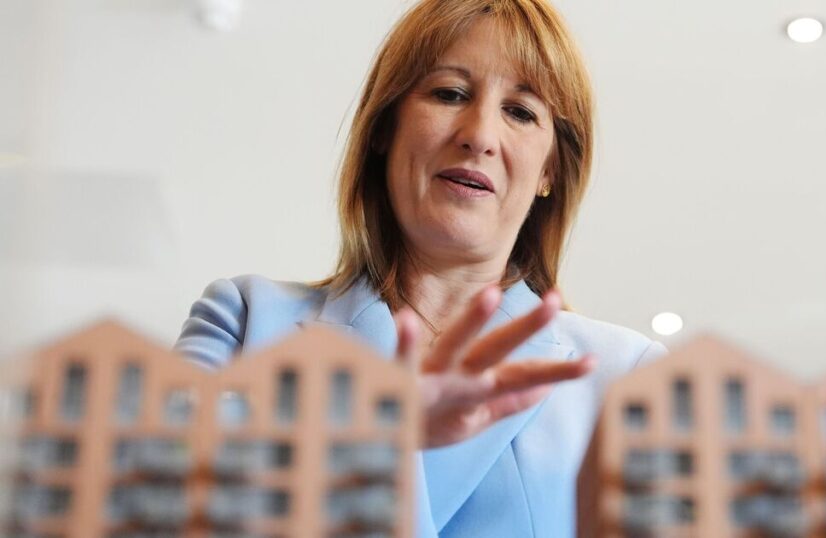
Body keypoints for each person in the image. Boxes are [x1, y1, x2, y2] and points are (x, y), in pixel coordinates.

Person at [175, 0, 667, 535]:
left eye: (521, 112)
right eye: (450, 94)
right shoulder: (243, 318)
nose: (480, 136)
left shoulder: (626, 376)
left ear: (550, 170)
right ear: (384, 128)